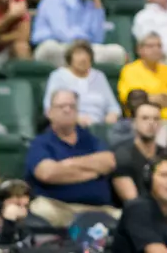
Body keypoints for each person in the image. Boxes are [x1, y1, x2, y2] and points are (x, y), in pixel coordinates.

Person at [26, 89, 118, 226]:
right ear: (49, 112)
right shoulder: (41, 142)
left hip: (99, 209)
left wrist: (66, 165)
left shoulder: (89, 138)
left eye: (72, 106)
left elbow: (109, 162)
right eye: (61, 106)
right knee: (40, 209)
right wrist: (94, 171)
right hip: (58, 207)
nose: (67, 110)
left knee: (128, 218)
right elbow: (47, 173)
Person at [33, 0, 129, 65]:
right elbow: (61, 32)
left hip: (85, 49)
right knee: (50, 49)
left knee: (117, 52)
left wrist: (97, 4)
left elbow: (98, 38)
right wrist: (81, 48)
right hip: (59, 45)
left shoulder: (90, 1)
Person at [119, 33, 167, 125]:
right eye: (151, 46)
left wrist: (156, 98)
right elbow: (138, 100)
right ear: (139, 50)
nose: (156, 49)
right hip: (147, 122)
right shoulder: (130, 70)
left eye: (159, 46)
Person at [44, 40, 122, 126]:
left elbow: (114, 107)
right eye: (78, 54)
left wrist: (111, 116)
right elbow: (49, 108)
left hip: (100, 126)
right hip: (71, 126)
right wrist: (75, 119)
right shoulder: (58, 76)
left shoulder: (99, 76)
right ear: (70, 58)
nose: (83, 58)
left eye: (86, 54)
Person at [111, 100, 164, 203]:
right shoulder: (122, 155)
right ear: (134, 123)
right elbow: (132, 201)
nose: (151, 123)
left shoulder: (165, 155)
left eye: (156, 119)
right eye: (145, 118)